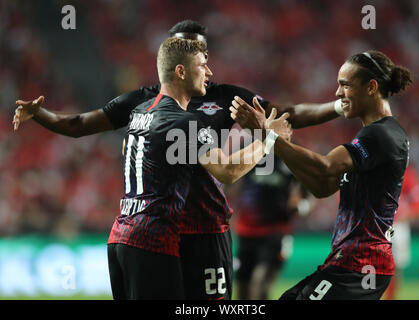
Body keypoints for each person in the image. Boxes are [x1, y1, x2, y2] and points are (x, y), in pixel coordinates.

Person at [13, 20, 340, 299]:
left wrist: (338, 108)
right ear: (178, 65)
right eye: (201, 62)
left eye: (206, 56)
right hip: (161, 233)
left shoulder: (209, 99)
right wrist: (270, 137)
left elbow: (288, 113)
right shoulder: (152, 103)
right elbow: (79, 124)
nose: (208, 70)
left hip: (199, 229)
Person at [231, 50, 413, 300]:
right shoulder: (375, 135)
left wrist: (267, 136)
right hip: (351, 263)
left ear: (371, 87)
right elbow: (322, 186)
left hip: (361, 265)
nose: (338, 93)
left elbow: (325, 167)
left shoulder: (381, 135)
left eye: (344, 85)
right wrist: (282, 145)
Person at [228, 155, 312, 300]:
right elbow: (231, 182)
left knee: (261, 283)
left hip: (276, 231)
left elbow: (307, 190)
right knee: (242, 286)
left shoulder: (291, 153)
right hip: (246, 231)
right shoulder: (249, 149)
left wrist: (301, 204)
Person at [383, 164, 419, 299]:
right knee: (375, 263)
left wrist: (408, 215)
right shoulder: (375, 169)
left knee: (396, 266)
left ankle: (391, 297)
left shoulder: (406, 173)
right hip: (378, 223)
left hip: (398, 225)